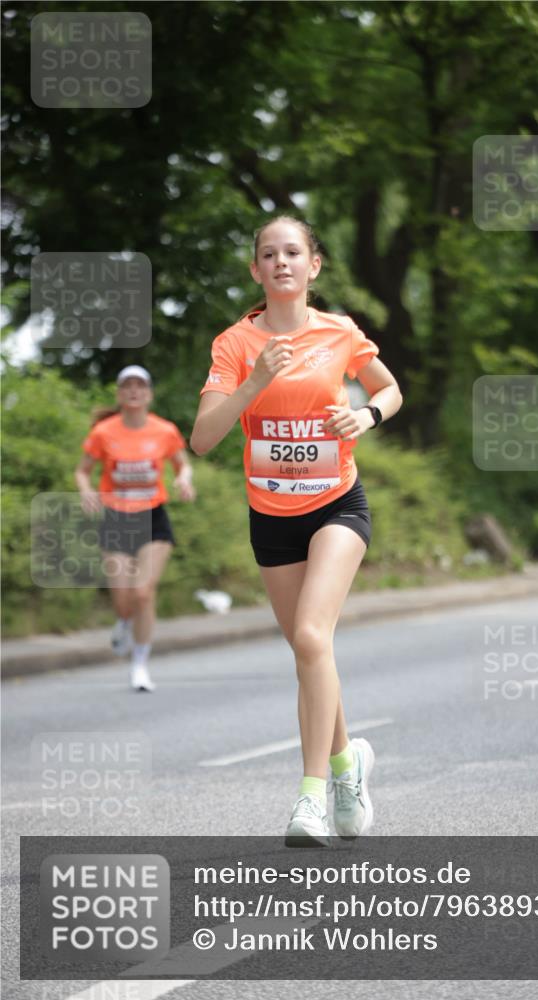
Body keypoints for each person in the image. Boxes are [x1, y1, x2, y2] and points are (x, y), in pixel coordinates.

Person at [191, 216, 402, 846]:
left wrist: (364, 416)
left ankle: (309, 799)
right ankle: (348, 764)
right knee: (310, 653)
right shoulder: (233, 344)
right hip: (272, 517)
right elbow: (202, 440)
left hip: (338, 504)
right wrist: (256, 381)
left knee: (313, 634)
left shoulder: (339, 333)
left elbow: (389, 390)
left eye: (293, 252)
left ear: (314, 266)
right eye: (267, 254)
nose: (280, 262)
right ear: (256, 271)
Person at [75, 365, 196, 692]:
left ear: (149, 394)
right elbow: (83, 471)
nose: (133, 391)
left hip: (153, 516)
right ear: (119, 393)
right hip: (116, 518)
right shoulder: (104, 432)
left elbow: (182, 463)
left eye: (140, 386)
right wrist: (86, 491)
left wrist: (184, 479)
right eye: (126, 385)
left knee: (144, 592)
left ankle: (140, 664)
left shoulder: (164, 430)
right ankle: (124, 621)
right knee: (123, 599)